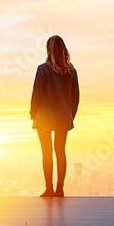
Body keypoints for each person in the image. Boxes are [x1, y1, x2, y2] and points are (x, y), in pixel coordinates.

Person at [30, 35, 80, 197]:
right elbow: (75, 97)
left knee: (46, 152)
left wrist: (32, 112)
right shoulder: (71, 71)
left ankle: (49, 188)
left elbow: (37, 94)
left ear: (48, 49)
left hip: (43, 116)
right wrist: (70, 114)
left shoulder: (42, 69)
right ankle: (60, 189)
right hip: (63, 116)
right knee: (60, 151)